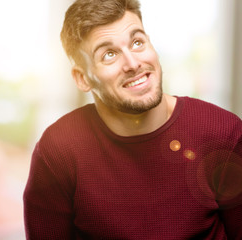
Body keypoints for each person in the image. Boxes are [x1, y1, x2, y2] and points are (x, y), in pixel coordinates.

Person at [23, 0, 242, 239]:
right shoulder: (59, 150)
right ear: (82, 78)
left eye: (137, 42)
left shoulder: (223, 133)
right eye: (109, 54)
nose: (133, 63)